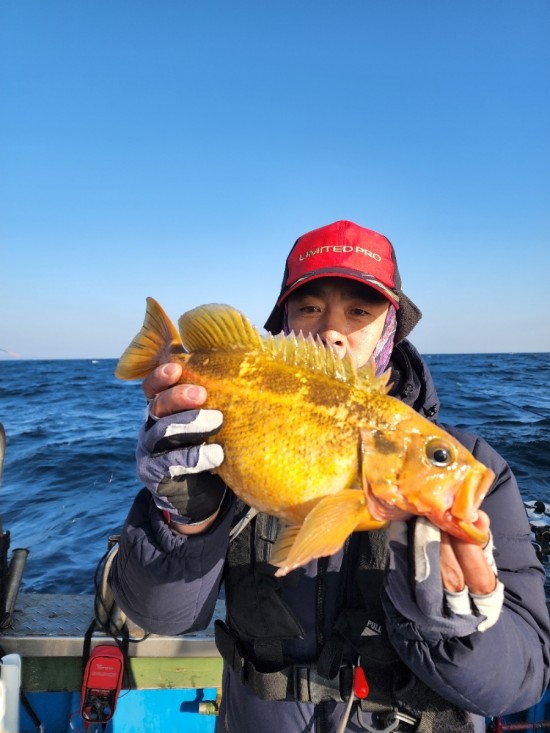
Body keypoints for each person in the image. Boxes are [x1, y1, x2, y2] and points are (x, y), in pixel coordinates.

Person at [110, 220, 550, 733]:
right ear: (284, 323)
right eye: (309, 308)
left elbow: (522, 682)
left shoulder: (480, 468)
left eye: (359, 311)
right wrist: (184, 517)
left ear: (391, 328)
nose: (332, 331)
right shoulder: (211, 451)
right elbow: (161, 618)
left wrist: (457, 622)